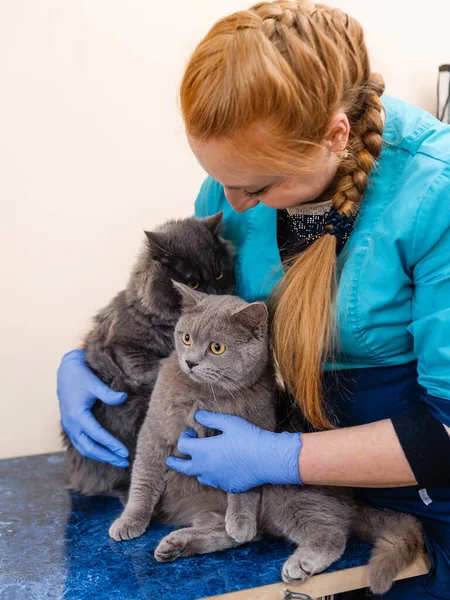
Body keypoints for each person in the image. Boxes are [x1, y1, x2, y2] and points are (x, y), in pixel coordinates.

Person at [57, 1, 450, 597]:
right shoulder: (236, 180)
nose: (233, 202)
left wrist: (279, 458)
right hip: (292, 496)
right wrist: (87, 356)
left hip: (423, 501)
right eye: (221, 179)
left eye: (257, 187)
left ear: (335, 136)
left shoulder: (435, 196)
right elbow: (193, 305)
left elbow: (444, 434)